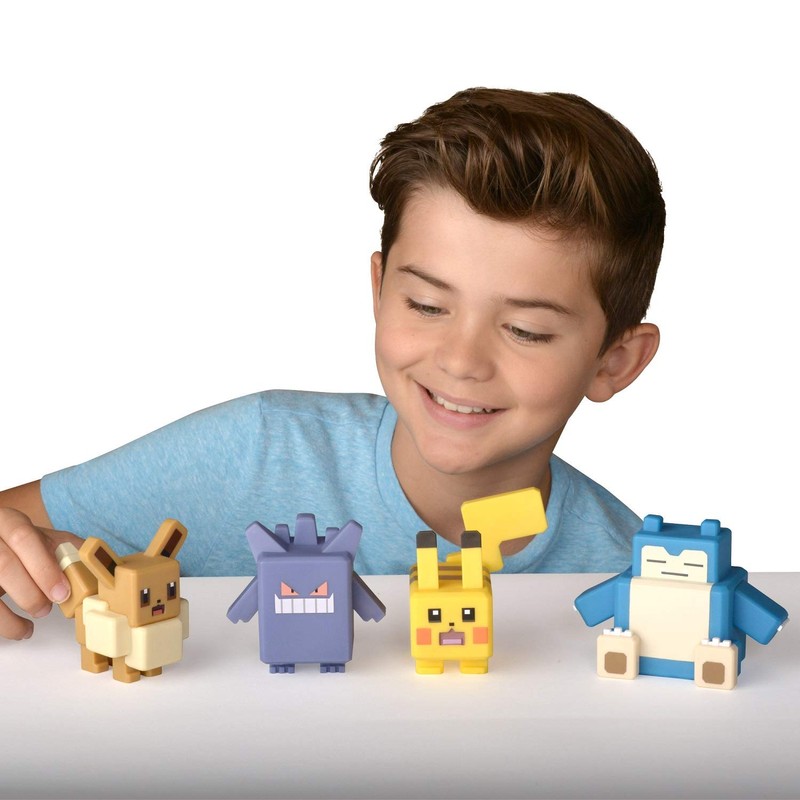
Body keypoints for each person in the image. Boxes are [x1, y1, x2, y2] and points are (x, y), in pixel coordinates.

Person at [0, 87, 665, 641]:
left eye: (525, 330)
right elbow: (15, 526)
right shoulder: (255, 449)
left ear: (615, 362)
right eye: (427, 305)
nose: (462, 360)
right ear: (379, 290)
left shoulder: (641, 577)